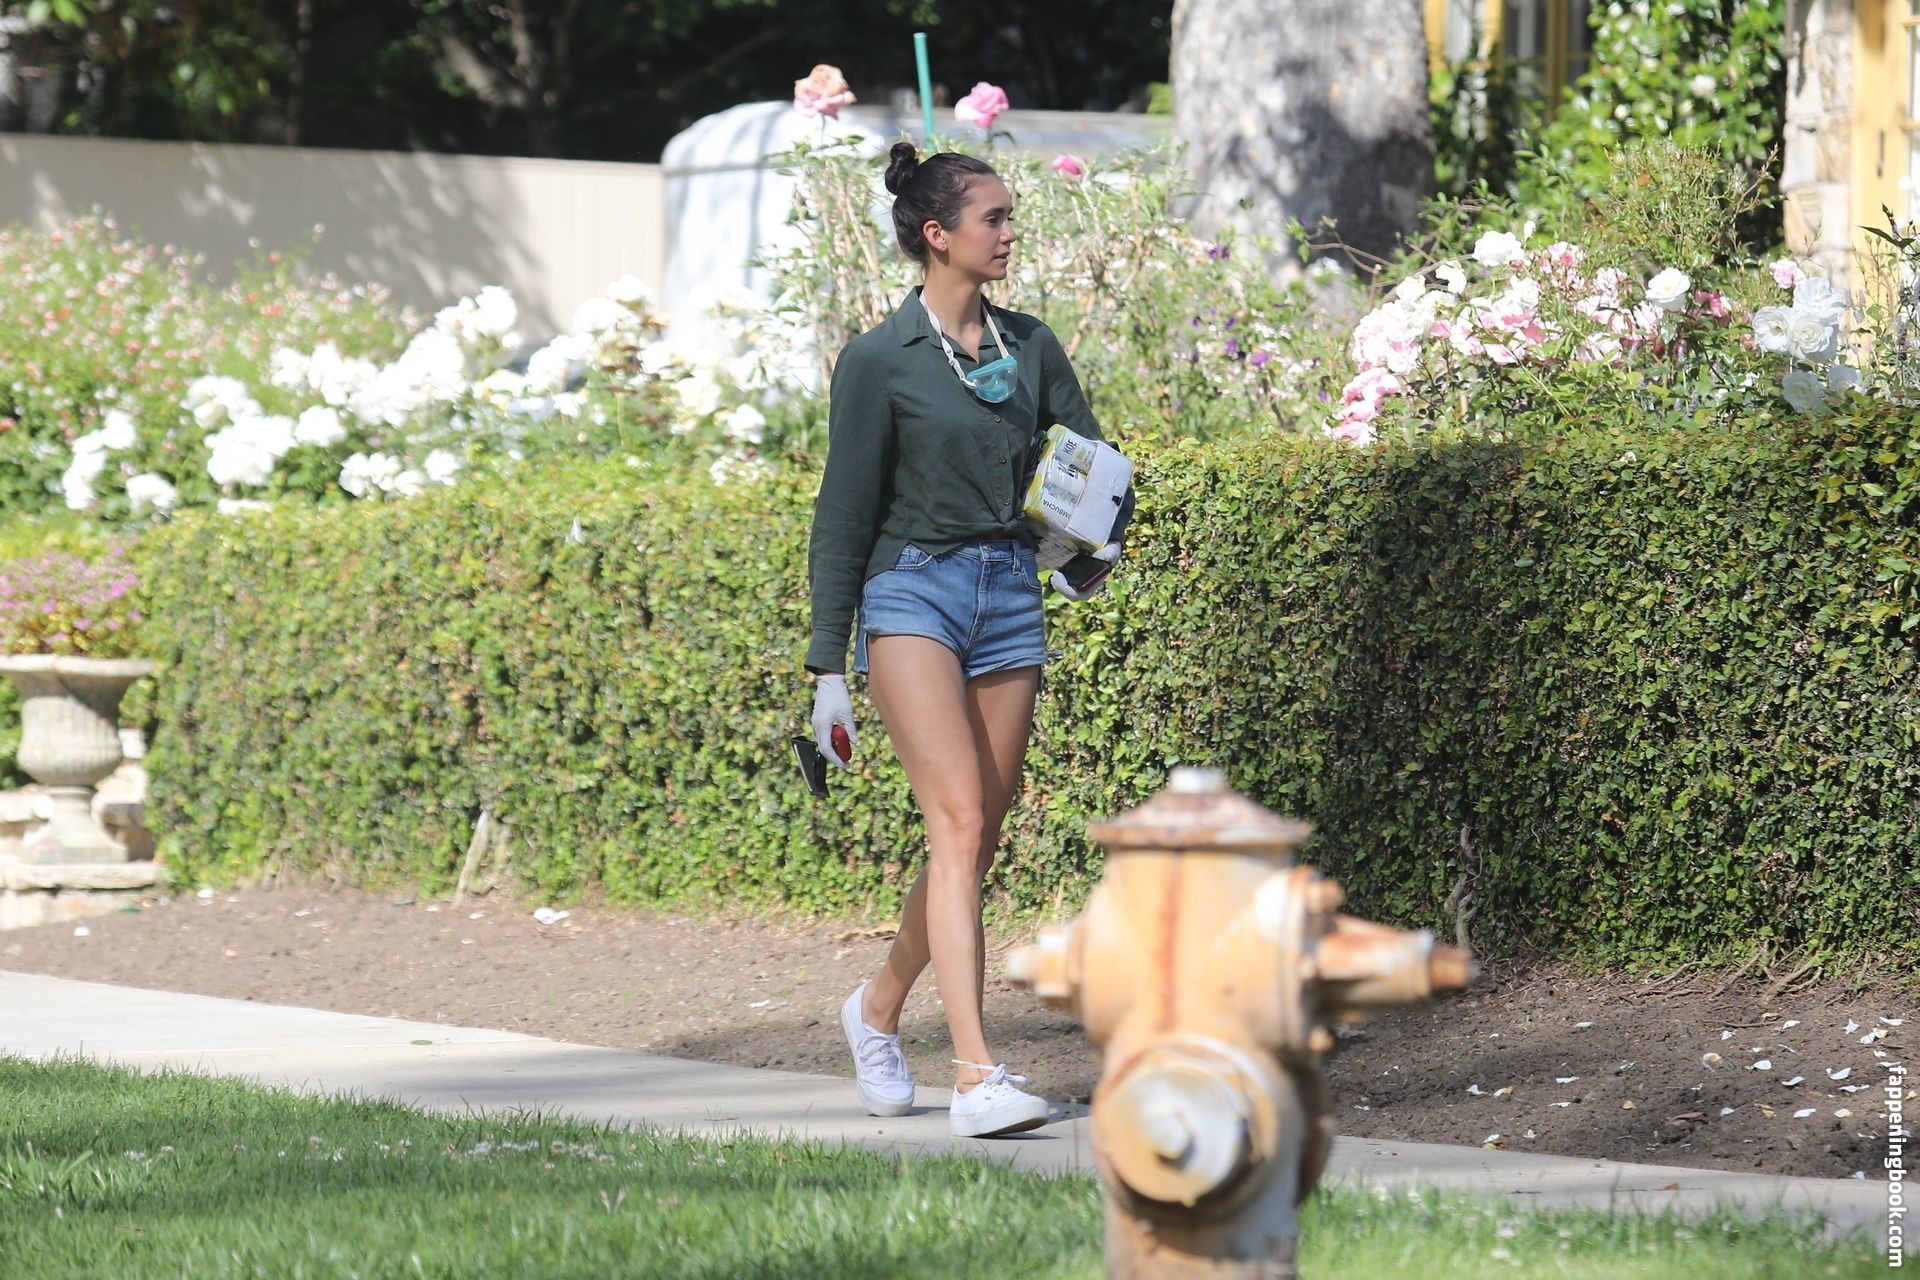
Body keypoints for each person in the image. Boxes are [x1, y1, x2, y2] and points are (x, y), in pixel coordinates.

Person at [804, 141, 1135, 1138]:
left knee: (979, 827)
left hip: (1008, 592)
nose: (1009, 232)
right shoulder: (879, 360)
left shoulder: (1029, 345)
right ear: (937, 234)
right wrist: (828, 665)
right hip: (911, 591)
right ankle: (976, 1074)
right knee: (954, 819)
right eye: (993, 217)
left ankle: (875, 1008)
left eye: (1009, 216)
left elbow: (1091, 463)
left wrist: (1087, 544)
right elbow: (843, 513)